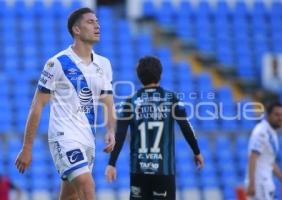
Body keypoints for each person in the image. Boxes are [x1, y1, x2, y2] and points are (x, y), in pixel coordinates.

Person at [15, 8, 116, 200]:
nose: (97, 25)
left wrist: (111, 130)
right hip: (64, 137)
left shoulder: (104, 64)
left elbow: (108, 102)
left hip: (88, 139)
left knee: (70, 196)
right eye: (90, 22)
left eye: (97, 21)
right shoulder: (57, 63)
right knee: (87, 186)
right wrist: (27, 147)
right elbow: (37, 105)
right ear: (76, 30)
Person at [105, 56, 204, 200]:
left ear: (139, 76)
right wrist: (197, 151)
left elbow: (119, 135)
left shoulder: (130, 101)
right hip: (164, 172)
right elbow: (186, 127)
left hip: (139, 172)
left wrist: (112, 163)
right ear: (160, 75)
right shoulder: (171, 98)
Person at [246, 101, 282, 200]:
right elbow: (252, 157)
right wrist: (252, 183)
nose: (280, 118)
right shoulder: (261, 132)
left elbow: (270, 161)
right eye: (276, 115)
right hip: (259, 183)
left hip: (266, 182)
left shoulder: (272, 133)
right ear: (268, 115)